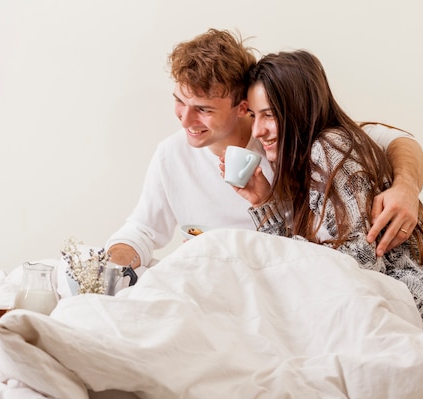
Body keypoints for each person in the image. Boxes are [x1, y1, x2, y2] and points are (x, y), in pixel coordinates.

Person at [106, 28, 423, 269]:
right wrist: (112, 267)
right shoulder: (171, 155)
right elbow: (141, 230)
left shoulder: (299, 141)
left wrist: (407, 186)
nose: (185, 119)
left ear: (241, 107)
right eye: (179, 101)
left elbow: (392, 140)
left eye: (203, 109)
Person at [232, 49, 423, 316]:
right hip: (366, 305)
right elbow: (308, 267)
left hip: (401, 306)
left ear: (299, 109)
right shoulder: (307, 161)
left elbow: (364, 263)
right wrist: (264, 203)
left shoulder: (330, 147)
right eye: (254, 115)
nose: (257, 130)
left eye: (270, 115)